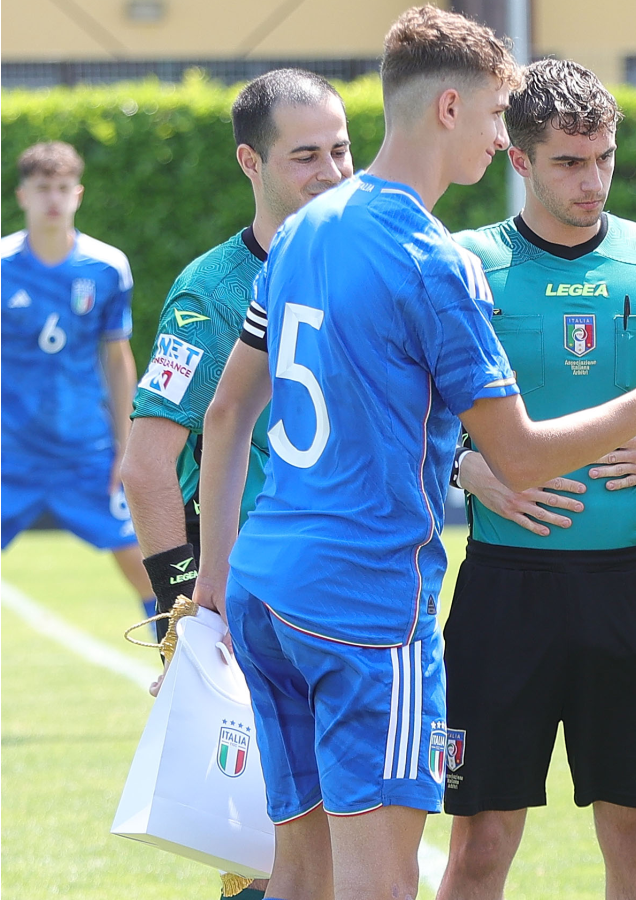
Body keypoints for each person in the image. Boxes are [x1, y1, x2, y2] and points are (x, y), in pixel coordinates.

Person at [189, 9, 636, 899]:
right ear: (450, 108)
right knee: (382, 882)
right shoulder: (436, 261)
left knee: (300, 873)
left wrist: (212, 583)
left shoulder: (301, 227)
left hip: (262, 586)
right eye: (496, 116)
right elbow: (519, 457)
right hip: (364, 605)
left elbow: (227, 416)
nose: (501, 139)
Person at [436, 59, 636, 900]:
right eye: (569, 162)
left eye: (603, 157)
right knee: (481, 848)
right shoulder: (463, 262)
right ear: (519, 161)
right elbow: (401, 411)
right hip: (505, 591)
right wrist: (469, 470)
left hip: (633, 586)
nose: (592, 179)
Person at [119, 70, 351, 900]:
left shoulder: (377, 262)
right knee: (271, 852)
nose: (331, 172)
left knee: (360, 842)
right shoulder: (209, 294)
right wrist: (186, 604)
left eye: (341, 149)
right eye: (305, 157)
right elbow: (146, 466)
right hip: (261, 606)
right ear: (250, 162)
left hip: (366, 592)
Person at [2, 141, 155, 617]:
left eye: (63, 188)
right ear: (22, 194)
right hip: (10, 453)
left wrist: (125, 447)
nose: (54, 198)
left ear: (79, 194)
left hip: (85, 450)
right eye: (42, 187)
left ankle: (179, 680)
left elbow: (116, 356)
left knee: (149, 569)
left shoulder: (107, 267)